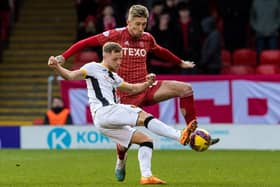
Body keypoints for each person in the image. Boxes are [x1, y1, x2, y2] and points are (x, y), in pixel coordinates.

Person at [54, 4, 219, 182]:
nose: (140, 28)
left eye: (144, 24)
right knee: (128, 140)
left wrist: (180, 63)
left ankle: (190, 133)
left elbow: (161, 51)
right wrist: (64, 56)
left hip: (144, 87)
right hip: (124, 93)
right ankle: (120, 160)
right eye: (137, 24)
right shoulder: (115, 35)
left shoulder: (147, 38)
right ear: (128, 22)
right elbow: (86, 42)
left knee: (185, 89)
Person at [48, 42, 192, 184]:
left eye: (120, 59)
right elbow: (71, 76)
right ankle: (179, 135)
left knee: (146, 141)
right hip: (105, 111)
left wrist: (147, 84)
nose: (119, 62)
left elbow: (131, 89)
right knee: (142, 115)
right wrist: (57, 66)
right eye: (115, 59)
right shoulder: (93, 67)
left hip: (103, 122)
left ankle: (146, 176)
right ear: (105, 55)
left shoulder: (114, 77)